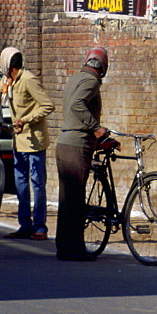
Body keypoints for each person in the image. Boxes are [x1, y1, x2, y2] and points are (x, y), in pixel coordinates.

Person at [55, 47, 109, 261]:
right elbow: (78, 105)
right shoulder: (91, 82)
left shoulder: (74, 79)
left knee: (66, 199)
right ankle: (74, 249)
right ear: (103, 66)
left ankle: (64, 246)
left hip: (64, 144)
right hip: (77, 145)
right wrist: (95, 127)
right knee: (75, 200)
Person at [0, 48, 54, 240]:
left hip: (34, 141)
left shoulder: (28, 80)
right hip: (18, 141)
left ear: (8, 66)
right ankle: (25, 225)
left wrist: (26, 119)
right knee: (20, 184)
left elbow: (47, 105)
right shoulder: (9, 81)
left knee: (37, 183)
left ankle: (40, 227)